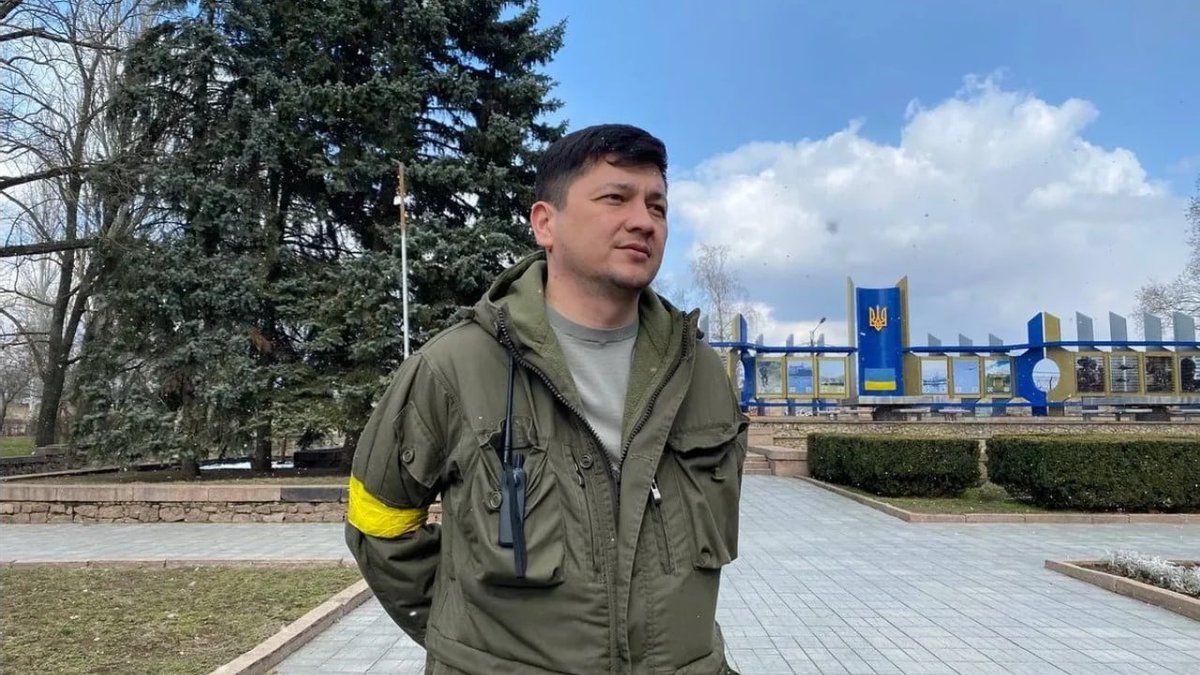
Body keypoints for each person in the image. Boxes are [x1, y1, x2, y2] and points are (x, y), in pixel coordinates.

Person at [346, 124, 748, 674]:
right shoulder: (455, 368)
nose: (643, 221)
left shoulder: (699, 373)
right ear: (545, 223)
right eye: (616, 198)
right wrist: (468, 642)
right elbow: (378, 523)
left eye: (657, 205)